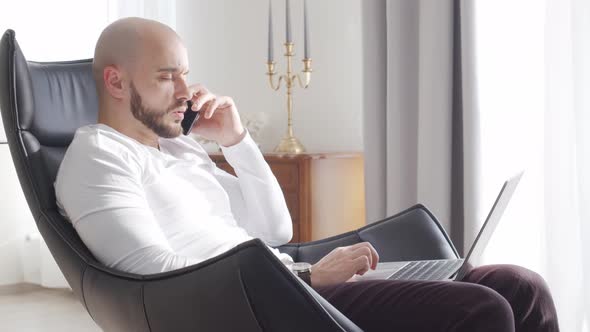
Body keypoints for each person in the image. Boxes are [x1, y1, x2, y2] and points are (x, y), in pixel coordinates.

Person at [54, 17, 559, 332]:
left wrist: (236, 141)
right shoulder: (99, 157)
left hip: (287, 285)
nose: (187, 89)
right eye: (167, 76)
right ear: (116, 82)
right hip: (260, 309)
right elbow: (160, 273)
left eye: (186, 72)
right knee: (483, 310)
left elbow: (276, 231)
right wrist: (309, 277)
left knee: (522, 286)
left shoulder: (179, 150)